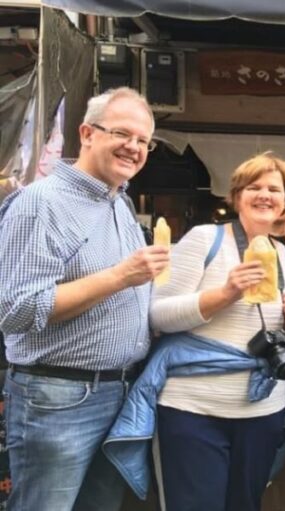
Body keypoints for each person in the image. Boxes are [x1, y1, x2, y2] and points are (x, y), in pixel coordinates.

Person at [0, 87, 169, 511]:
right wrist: (118, 277)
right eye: (123, 134)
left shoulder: (120, 203)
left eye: (144, 141)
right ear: (86, 133)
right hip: (57, 395)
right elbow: (16, 309)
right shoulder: (41, 204)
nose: (134, 147)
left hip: (118, 391)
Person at [141, 152, 285, 510]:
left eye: (274, 189)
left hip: (263, 410)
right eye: (254, 187)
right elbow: (158, 315)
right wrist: (225, 294)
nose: (265, 195)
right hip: (194, 410)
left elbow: (283, 335)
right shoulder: (205, 240)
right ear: (236, 196)